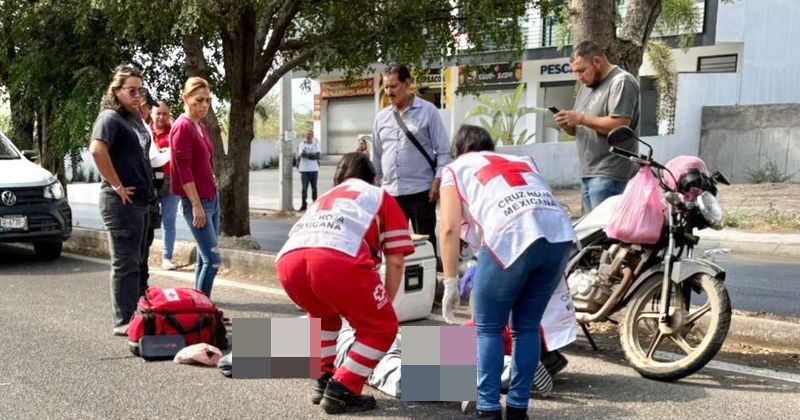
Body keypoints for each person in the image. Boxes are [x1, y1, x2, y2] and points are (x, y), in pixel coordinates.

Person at [438, 125, 576, 419]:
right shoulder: (524, 161)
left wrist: (450, 280)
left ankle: (487, 409)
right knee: (526, 328)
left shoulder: (455, 168)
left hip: (509, 237)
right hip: (559, 236)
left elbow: (448, 228)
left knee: (487, 329)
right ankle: (517, 409)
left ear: (459, 150)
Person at [275, 152, 415, 415]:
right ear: (372, 178)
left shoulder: (324, 198)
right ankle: (342, 388)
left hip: (288, 262)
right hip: (336, 260)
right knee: (383, 328)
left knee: (323, 317)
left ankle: (323, 379)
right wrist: (385, 308)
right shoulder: (378, 195)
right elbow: (396, 262)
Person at [89, 65, 155, 336]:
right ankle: (124, 320)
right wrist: (116, 184)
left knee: (139, 262)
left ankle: (140, 314)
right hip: (121, 204)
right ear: (116, 91)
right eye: (131, 90)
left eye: (140, 90)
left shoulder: (135, 118)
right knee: (125, 263)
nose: (137, 95)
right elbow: (96, 149)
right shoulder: (110, 118)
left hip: (142, 201)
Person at [372, 64, 450, 268]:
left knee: (424, 244)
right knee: (391, 245)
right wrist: (375, 189)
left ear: (407, 84)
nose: (389, 92)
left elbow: (443, 151)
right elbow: (377, 156)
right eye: (386, 87)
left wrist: (437, 181)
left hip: (421, 192)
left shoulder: (428, 111)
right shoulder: (381, 118)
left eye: (393, 86)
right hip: (390, 193)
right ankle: (397, 292)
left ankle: (430, 290)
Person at [554, 40, 640, 213]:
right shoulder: (586, 87)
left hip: (610, 173)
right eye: (575, 72)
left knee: (604, 233)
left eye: (581, 70)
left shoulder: (621, 81)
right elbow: (581, 127)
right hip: (589, 173)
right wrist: (567, 123)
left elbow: (620, 124)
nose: (579, 77)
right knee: (592, 235)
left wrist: (580, 118)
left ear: (597, 62)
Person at [169, 77, 221, 298]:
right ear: (185, 98)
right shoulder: (182, 127)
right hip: (198, 204)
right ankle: (203, 309)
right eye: (199, 100)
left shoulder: (199, 126)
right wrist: (196, 205)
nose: (204, 106)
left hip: (212, 200)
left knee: (204, 258)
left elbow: (204, 161)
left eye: (208, 101)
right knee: (213, 261)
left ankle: (199, 309)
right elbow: (183, 170)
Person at [137, 90, 162, 297]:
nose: (150, 111)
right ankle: (138, 296)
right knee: (139, 252)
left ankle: (141, 293)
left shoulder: (142, 126)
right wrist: (172, 151)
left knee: (143, 249)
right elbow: (155, 160)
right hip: (140, 197)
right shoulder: (140, 127)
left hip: (148, 195)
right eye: (148, 107)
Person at [151, 100, 179, 270]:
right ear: (152, 113)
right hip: (151, 182)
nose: (161, 117)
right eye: (158, 113)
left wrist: (174, 125)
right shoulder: (145, 131)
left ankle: (167, 257)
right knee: (147, 220)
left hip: (171, 182)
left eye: (165, 114)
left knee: (169, 221)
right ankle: (142, 253)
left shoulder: (174, 132)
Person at [297, 130, 321, 211]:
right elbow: (302, 154)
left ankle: (315, 205)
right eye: (307, 134)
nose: (308, 136)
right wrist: (311, 155)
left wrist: (308, 155)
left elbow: (317, 156)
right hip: (304, 170)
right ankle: (304, 205)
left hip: (314, 169)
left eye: (310, 134)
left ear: (312, 135)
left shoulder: (316, 144)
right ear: (305, 136)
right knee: (304, 189)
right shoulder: (302, 144)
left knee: (314, 188)